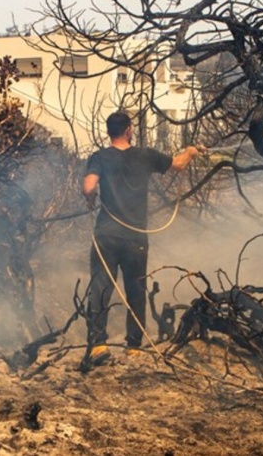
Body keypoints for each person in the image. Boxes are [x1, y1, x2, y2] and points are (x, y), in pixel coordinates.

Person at [82, 112, 202, 361]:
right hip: (135, 237)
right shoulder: (146, 156)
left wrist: (91, 198)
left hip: (106, 233)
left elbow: (89, 186)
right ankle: (134, 345)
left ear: (109, 131)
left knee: (100, 287)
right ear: (128, 130)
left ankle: (98, 345)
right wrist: (190, 151)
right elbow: (179, 164)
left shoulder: (99, 157)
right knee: (136, 289)